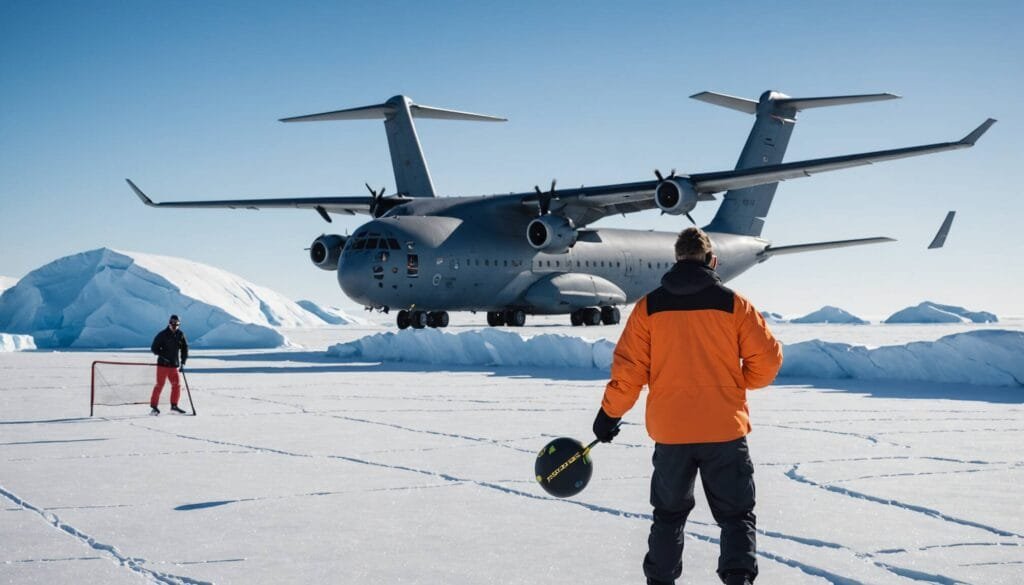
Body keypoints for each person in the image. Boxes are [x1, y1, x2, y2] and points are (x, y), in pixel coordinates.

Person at [592, 227, 783, 585]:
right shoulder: (734, 304)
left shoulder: (649, 307)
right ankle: (738, 579)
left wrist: (609, 414)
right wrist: (739, 384)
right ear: (712, 260)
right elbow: (768, 361)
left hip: (672, 433)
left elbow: (629, 371)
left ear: (677, 260)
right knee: (736, 516)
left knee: (668, 515)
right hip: (724, 430)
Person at [150, 314, 189, 415]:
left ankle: (174, 406)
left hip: (174, 365)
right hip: (162, 365)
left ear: (179, 324)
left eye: (176, 324)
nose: (174, 325)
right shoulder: (162, 334)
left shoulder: (180, 334)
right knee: (159, 385)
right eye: (172, 323)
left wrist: (183, 361)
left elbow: (185, 349)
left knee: (177, 385)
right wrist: (163, 356)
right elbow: (154, 348)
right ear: (169, 322)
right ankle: (154, 407)